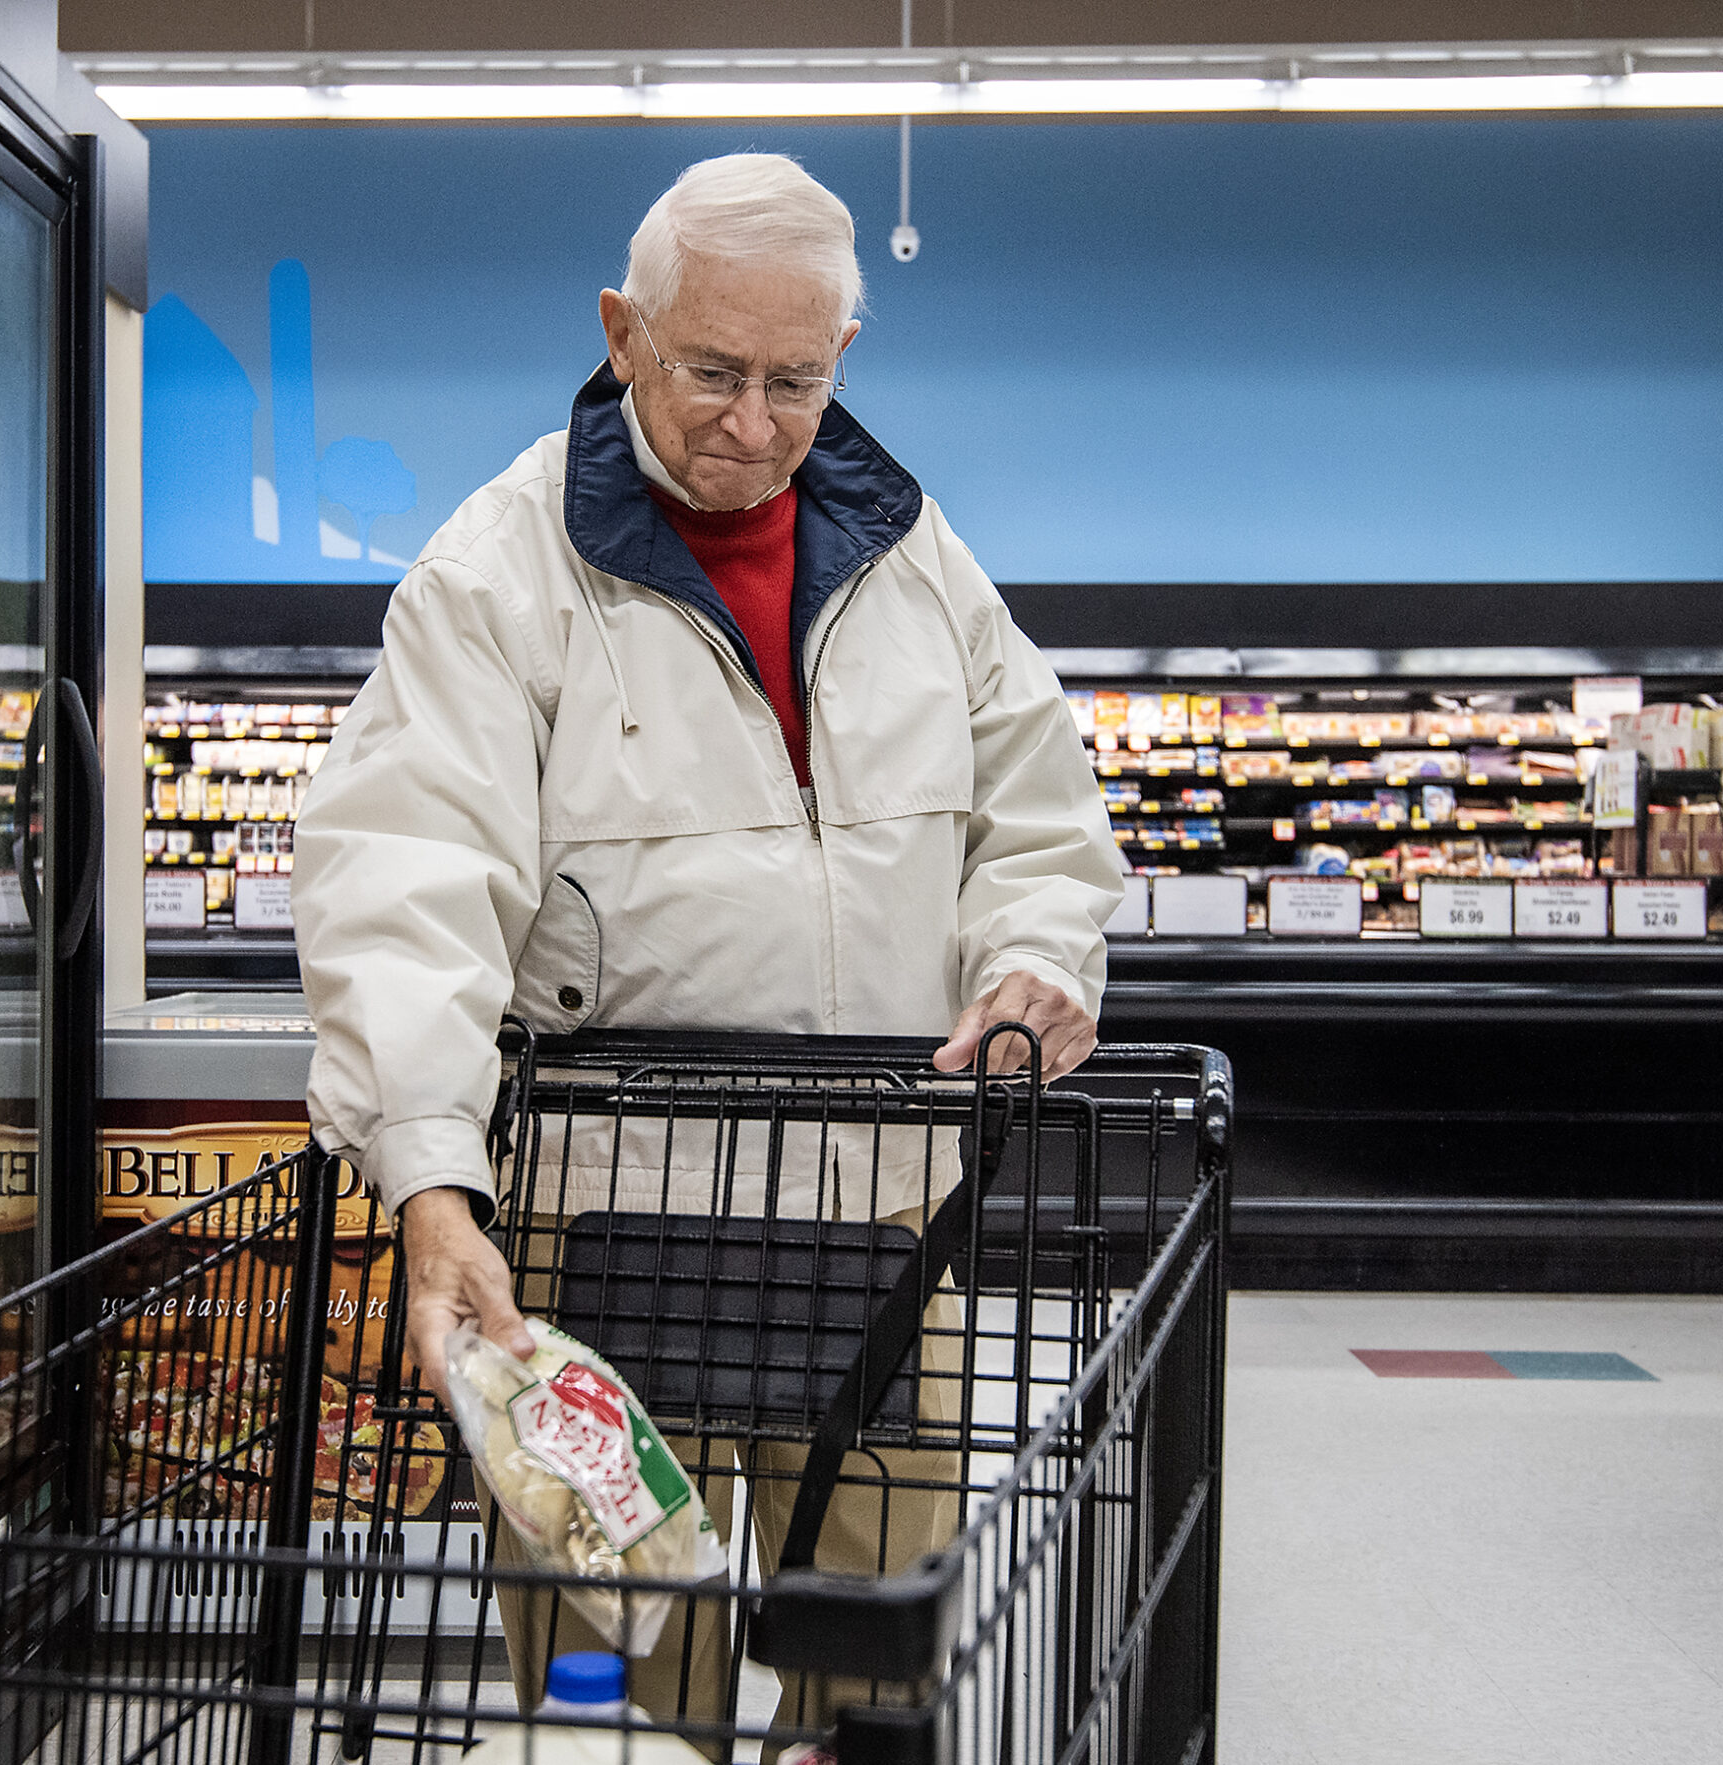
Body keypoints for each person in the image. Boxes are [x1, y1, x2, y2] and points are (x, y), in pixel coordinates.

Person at [289, 152, 1124, 1749]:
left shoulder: (914, 554)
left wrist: (1039, 953)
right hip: (611, 1232)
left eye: (795, 381)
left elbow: (1040, 800)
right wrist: (429, 1174)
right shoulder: (496, 569)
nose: (752, 423)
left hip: (887, 1222)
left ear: (844, 362)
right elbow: (405, 875)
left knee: (881, 1674)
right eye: (713, 373)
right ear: (622, 332)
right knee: (616, 1687)